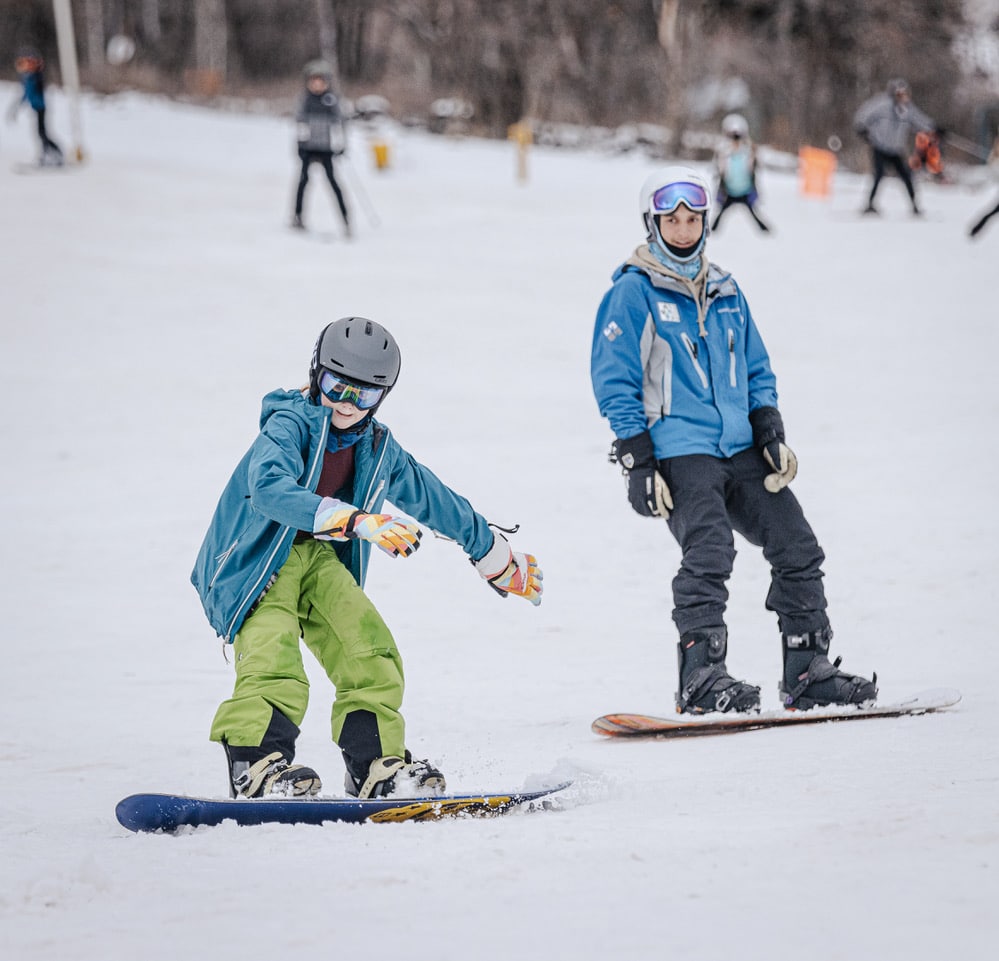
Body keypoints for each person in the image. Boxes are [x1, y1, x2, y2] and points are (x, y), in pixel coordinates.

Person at [192, 317, 542, 799]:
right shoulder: (288, 425)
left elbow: (432, 497)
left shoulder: (377, 447)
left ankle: (376, 767)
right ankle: (254, 766)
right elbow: (268, 489)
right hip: (253, 564)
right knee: (273, 658)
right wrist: (356, 520)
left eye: (364, 396)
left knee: (368, 647)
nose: (345, 404)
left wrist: (493, 555)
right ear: (316, 374)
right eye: (336, 386)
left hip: (317, 558)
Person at [590, 166, 877, 716]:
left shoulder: (725, 287)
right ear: (652, 222)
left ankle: (807, 671)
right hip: (679, 450)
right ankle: (701, 676)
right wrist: (637, 459)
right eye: (670, 218)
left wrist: (769, 430)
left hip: (740, 448)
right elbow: (614, 377)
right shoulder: (633, 290)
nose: (682, 227)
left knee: (797, 545)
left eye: (691, 217)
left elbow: (756, 365)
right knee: (711, 549)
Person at [853, 78, 935, 216]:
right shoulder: (881, 105)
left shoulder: (907, 109)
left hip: (895, 149)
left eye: (904, 94)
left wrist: (935, 129)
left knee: (906, 176)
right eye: (900, 94)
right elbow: (864, 114)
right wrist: (862, 128)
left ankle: (915, 206)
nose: (903, 97)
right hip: (880, 146)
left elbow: (920, 120)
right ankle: (870, 204)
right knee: (878, 175)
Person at [291, 59, 351, 234]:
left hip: (326, 148)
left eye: (321, 81)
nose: (317, 84)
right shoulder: (305, 100)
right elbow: (299, 122)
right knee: (303, 182)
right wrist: (300, 144)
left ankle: (345, 218)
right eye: (314, 81)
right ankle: (298, 216)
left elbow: (341, 123)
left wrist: (340, 143)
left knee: (333, 183)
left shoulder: (332, 101)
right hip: (309, 147)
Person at [710, 113, 770, 233]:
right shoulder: (723, 153)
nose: (735, 141)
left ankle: (766, 231)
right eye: (732, 137)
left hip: (745, 191)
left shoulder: (749, 152)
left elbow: (756, 168)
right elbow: (719, 171)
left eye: (737, 137)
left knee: (754, 214)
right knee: (719, 216)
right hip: (729, 192)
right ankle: (712, 230)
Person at [6, 48, 64, 165]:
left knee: (42, 133)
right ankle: (46, 155)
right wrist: (17, 106)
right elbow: (26, 94)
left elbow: (30, 92)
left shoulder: (35, 76)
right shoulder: (29, 78)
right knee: (41, 133)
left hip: (40, 108)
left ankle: (55, 153)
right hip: (37, 108)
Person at [969, 134, 999, 239]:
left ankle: (975, 229)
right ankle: (975, 229)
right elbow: (994, 175)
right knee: (992, 212)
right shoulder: (995, 161)